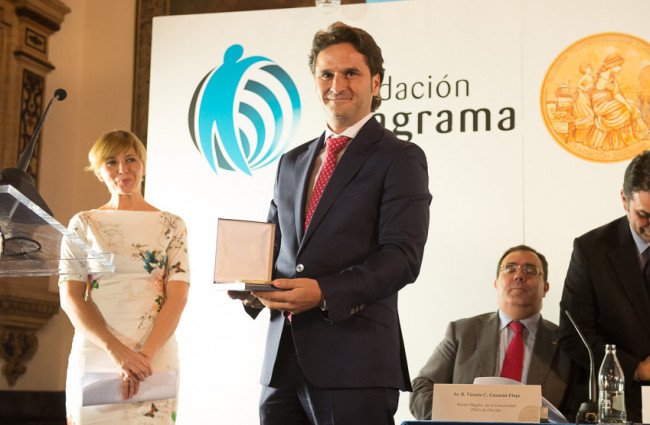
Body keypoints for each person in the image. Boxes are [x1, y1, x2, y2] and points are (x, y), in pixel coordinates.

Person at [229, 22, 431, 425]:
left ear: (376, 83)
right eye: (326, 73)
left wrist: (323, 292)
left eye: (351, 73)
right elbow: (274, 247)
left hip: (355, 363)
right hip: (281, 362)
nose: (337, 83)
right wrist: (250, 285)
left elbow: (402, 257)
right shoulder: (292, 161)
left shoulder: (400, 157)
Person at [59, 130, 190, 424]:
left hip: (155, 355)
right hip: (97, 350)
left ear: (143, 164)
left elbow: (178, 296)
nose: (123, 169)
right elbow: (70, 297)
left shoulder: (172, 225)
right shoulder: (82, 224)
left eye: (131, 159)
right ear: (98, 172)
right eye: (111, 162)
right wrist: (118, 353)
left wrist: (143, 358)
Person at [410, 245, 574, 421]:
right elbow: (420, 390)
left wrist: (534, 417)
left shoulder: (567, 342)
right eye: (510, 268)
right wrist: (461, 414)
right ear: (496, 283)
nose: (519, 275)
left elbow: (577, 409)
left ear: (545, 288)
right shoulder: (461, 333)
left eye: (530, 270)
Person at [560, 150, 650, 423]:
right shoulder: (591, 250)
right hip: (620, 403)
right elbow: (575, 335)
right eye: (644, 214)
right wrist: (636, 369)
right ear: (624, 200)